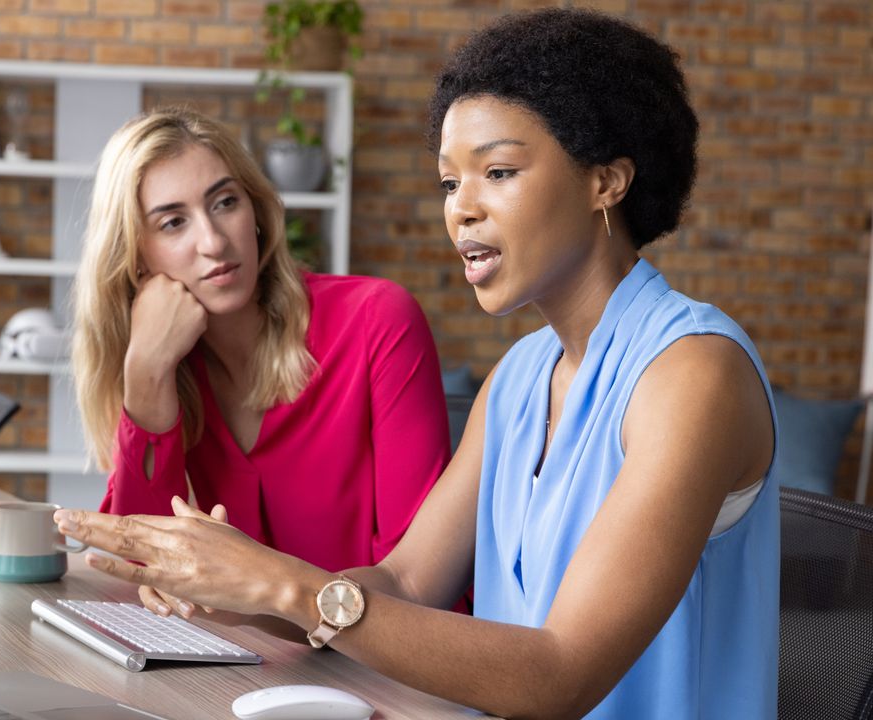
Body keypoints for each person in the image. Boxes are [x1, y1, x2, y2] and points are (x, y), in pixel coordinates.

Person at [57, 9, 778, 718]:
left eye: (496, 171)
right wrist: (237, 584)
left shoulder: (691, 375)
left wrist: (281, 585)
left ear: (606, 181)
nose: (460, 209)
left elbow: (560, 674)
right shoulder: (520, 379)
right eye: (448, 182)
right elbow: (405, 579)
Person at [71, 108, 452, 586]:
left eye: (225, 202)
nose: (213, 241)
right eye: (172, 223)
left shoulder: (377, 321)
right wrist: (147, 373)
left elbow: (418, 584)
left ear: (255, 212)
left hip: (376, 658)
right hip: (244, 661)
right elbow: (144, 572)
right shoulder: (172, 373)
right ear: (135, 259)